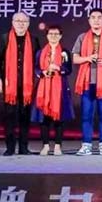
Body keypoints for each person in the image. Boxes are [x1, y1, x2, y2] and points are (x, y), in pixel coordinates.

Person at [72, 9, 102, 156]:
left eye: (99, 17)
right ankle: (86, 145)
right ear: (89, 20)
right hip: (87, 82)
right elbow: (75, 58)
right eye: (93, 17)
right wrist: (87, 58)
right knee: (87, 115)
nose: (96, 20)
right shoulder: (82, 37)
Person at [0, 12, 40, 156]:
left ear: (28, 23)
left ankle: (23, 147)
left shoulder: (34, 40)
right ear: (13, 22)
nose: (21, 24)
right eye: (18, 21)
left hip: (27, 85)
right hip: (9, 84)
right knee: (10, 116)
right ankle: (10, 147)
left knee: (25, 116)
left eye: (24, 21)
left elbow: (38, 62)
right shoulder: (5, 38)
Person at [31, 25, 73, 156]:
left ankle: (58, 146)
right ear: (47, 36)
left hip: (59, 88)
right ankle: (45, 145)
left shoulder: (65, 52)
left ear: (60, 36)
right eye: (51, 34)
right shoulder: (40, 52)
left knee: (59, 118)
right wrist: (42, 72)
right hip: (43, 88)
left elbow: (69, 69)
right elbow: (36, 68)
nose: (53, 36)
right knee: (44, 118)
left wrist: (59, 68)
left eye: (56, 34)